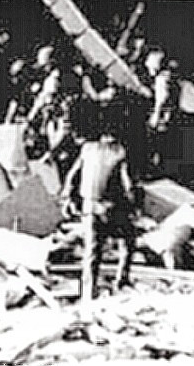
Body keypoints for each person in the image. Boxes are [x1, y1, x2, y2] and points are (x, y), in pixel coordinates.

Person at [60, 124, 137, 303]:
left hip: (88, 207)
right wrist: (133, 207)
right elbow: (128, 185)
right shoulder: (119, 152)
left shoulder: (87, 149)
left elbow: (72, 176)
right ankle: (121, 281)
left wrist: (67, 199)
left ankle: (88, 292)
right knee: (129, 239)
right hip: (109, 208)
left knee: (91, 251)